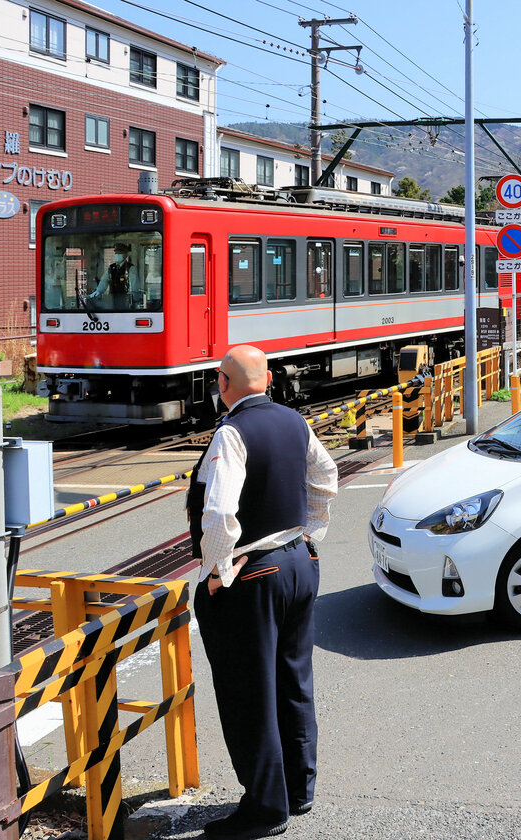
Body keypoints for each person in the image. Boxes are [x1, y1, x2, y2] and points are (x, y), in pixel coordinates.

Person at [189, 345, 338, 840]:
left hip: (254, 574)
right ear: (269, 380)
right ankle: (299, 789)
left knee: (249, 691)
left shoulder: (232, 432)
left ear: (223, 384)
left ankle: (265, 808)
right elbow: (326, 476)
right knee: (294, 681)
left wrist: (217, 571)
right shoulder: (295, 421)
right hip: (299, 563)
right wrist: (308, 532)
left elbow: (218, 512)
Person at [90, 242, 138, 309]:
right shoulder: (111, 267)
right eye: (116, 253)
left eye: (120, 253)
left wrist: (130, 299)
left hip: (125, 301)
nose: (117, 255)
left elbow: (133, 287)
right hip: (112, 299)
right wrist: (98, 291)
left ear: (125, 255)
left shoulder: (131, 268)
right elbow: (104, 281)